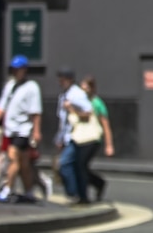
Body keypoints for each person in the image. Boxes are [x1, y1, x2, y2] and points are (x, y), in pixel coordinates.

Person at [0, 55, 43, 203]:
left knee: (12, 158)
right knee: (24, 164)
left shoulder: (32, 87)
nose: (16, 72)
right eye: (14, 69)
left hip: (23, 130)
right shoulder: (10, 86)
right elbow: (1, 107)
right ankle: (29, 192)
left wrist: (36, 130)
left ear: (25, 70)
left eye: (19, 69)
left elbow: (35, 112)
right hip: (10, 130)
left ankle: (7, 189)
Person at [55, 66, 94, 205]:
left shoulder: (77, 94)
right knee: (75, 166)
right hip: (66, 137)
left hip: (76, 136)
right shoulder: (63, 95)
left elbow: (88, 112)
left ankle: (74, 193)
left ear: (70, 80)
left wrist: (72, 109)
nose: (60, 81)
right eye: (60, 78)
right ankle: (81, 195)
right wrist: (59, 139)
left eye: (63, 79)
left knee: (65, 164)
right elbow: (62, 121)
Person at [80, 75, 114, 201]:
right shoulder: (80, 102)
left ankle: (94, 186)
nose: (83, 89)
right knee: (80, 166)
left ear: (92, 88)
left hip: (94, 138)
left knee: (81, 164)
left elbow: (106, 126)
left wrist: (109, 145)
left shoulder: (97, 103)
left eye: (86, 87)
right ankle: (97, 183)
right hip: (81, 137)